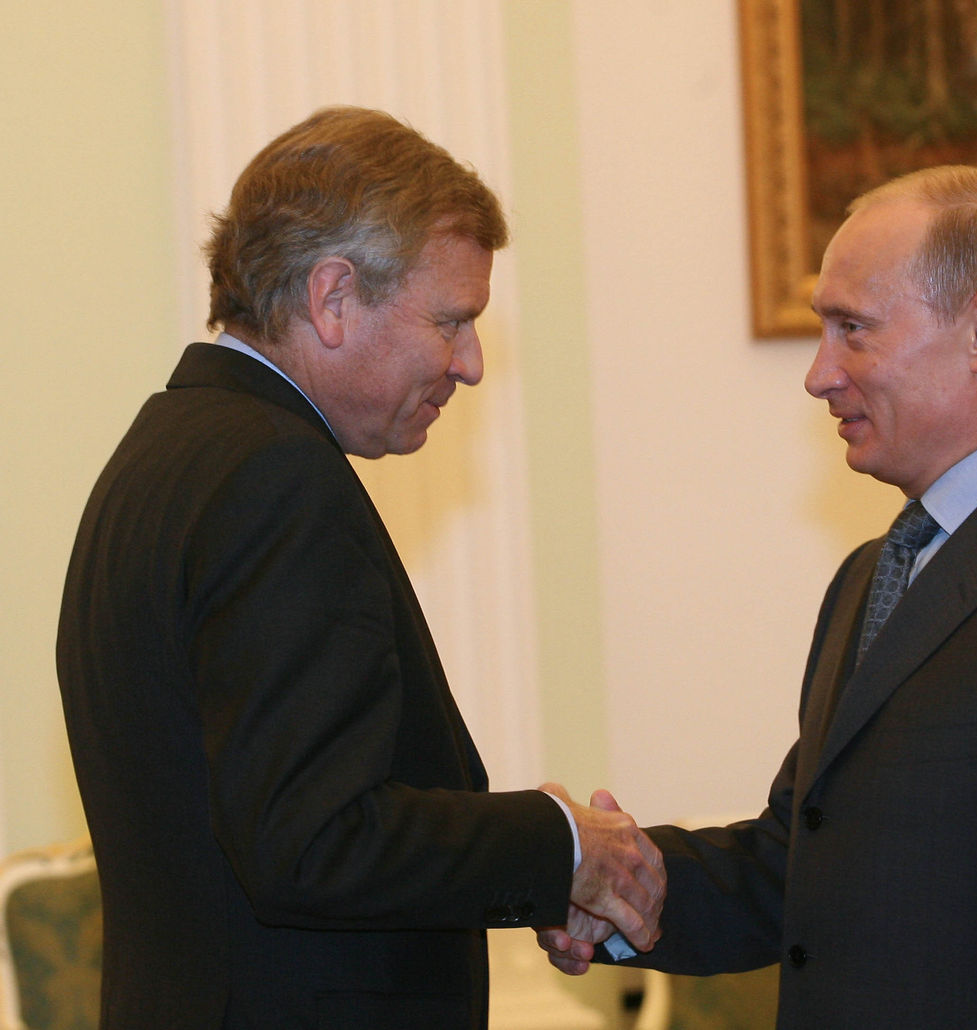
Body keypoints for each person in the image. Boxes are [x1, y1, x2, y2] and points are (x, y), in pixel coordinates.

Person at [539, 166, 977, 1028]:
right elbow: (800, 865)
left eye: (853, 330)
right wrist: (602, 883)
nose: (819, 374)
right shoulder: (876, 573)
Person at [56, 106, 664, 1030]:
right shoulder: (273, 476)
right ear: (333, 298)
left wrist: (528, 859)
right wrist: (561, 845)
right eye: (451, 321)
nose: (470, 364)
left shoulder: (166, 449)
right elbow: (311, 842)